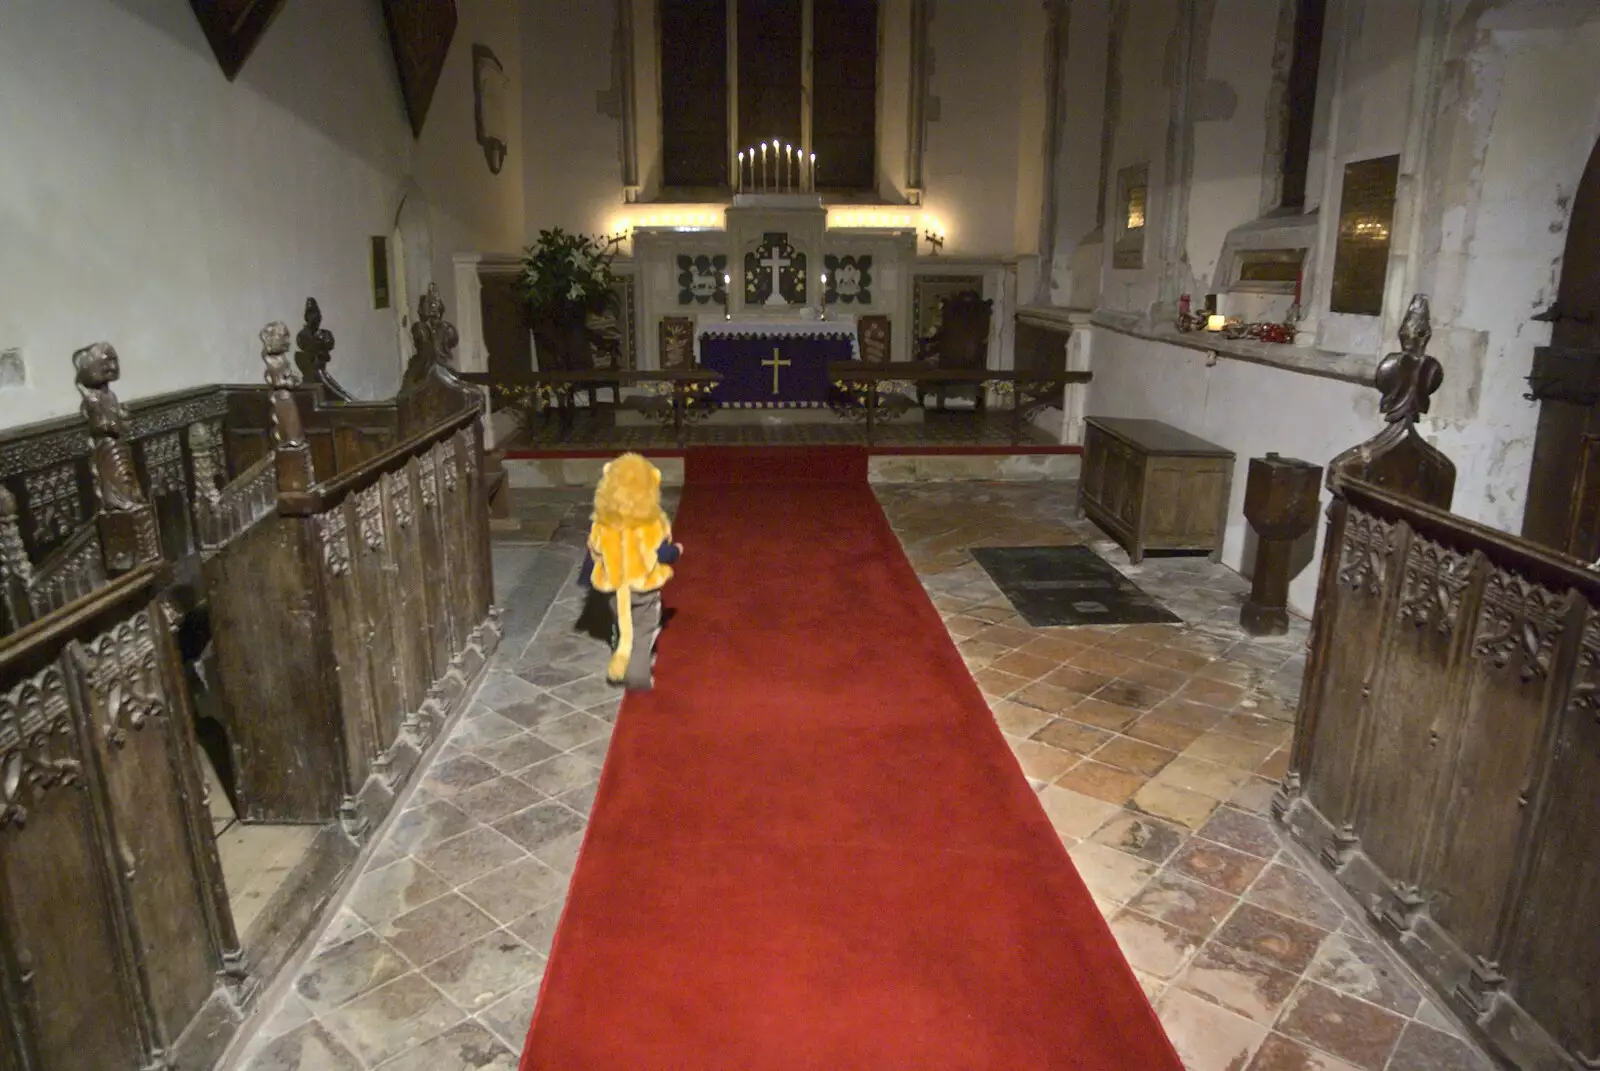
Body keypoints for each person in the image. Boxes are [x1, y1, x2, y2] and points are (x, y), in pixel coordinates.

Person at [582, 453, 683, 690]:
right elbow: (661, 553)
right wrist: (676, 551)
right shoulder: (653, 523)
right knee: (644, 629)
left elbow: (595, 552)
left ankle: (620, 654)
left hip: (616, 590)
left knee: (622, 622)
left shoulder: (601, 525)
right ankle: (638, 675)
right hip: (643, 588)